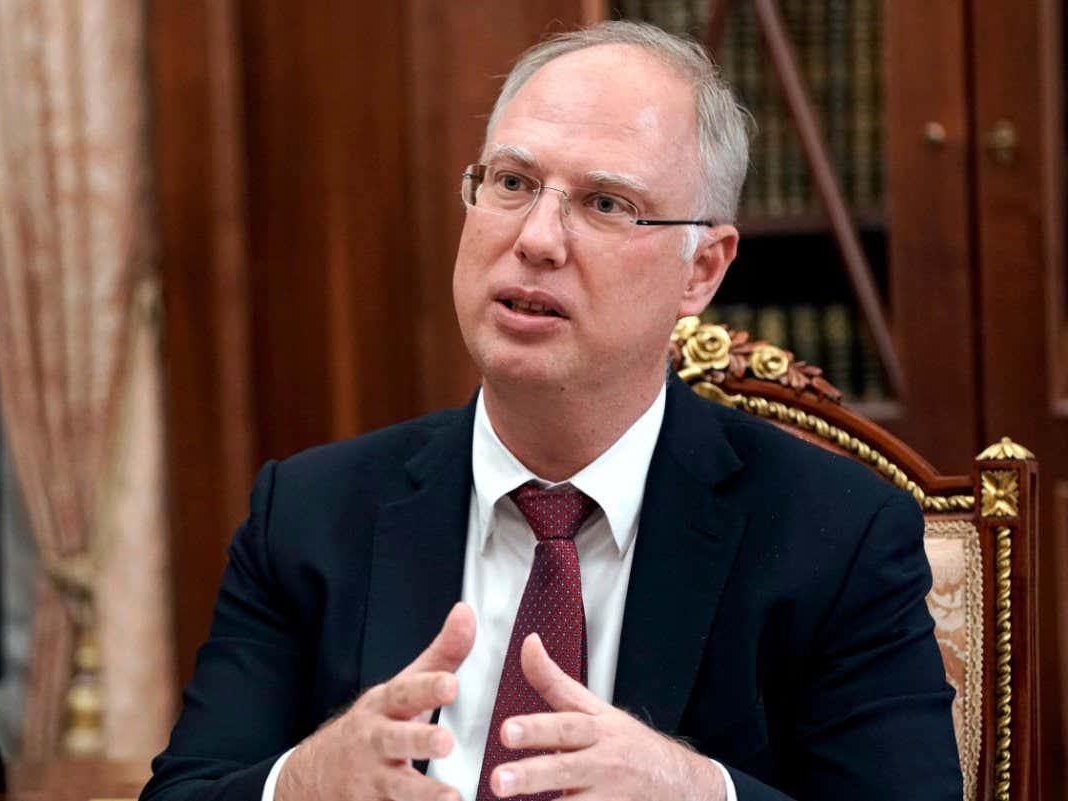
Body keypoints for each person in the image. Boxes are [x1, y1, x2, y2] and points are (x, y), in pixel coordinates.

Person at [140, 20, 962, 801]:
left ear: (701, 271)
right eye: (512, 182)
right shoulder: (310, 515)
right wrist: (304, 780)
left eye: (605, 203)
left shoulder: (836, 536)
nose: (537, 237)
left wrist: (697, 789)